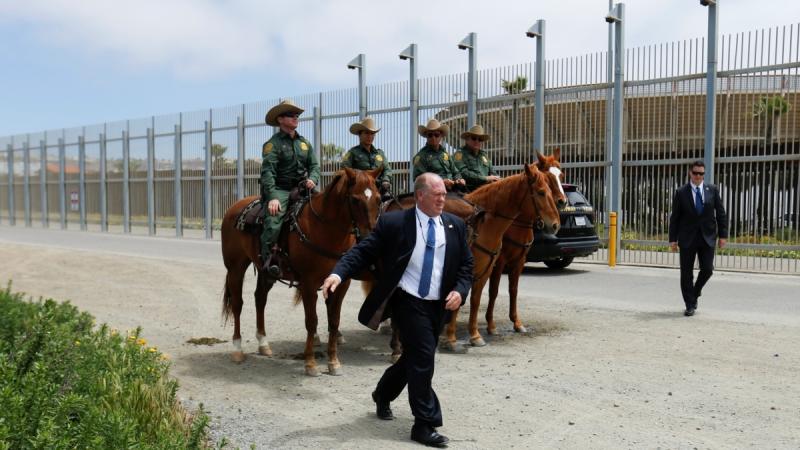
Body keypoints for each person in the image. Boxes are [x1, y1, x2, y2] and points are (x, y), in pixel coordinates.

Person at [321, 173, 473, 448]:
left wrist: (460, 291)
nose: (443, 199)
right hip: (408, 301)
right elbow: (363, 251)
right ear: (420, 196)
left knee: (414, 357)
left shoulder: (455, 226)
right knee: (424, 356)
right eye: (437, 194)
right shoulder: (395, 223)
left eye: (444, 194)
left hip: (439, 304)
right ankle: (425, 424)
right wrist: (338, 274)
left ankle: (382, 393)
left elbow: (466, 266)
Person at [260, 99, 320, 278]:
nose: (295, 118)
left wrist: (313, 179)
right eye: (291, 115)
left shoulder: (304, 143)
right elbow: (268, 172)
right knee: (274, 220)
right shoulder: (273, 144)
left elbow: (315, 166)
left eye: (297, 115)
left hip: (302, 188)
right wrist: (273, 197)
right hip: (280, 189)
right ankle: (267, 261)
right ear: (280, 119)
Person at [668, 160, 728, 316]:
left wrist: (723, 235)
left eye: (701, 173)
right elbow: (675, 218)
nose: (698, 176)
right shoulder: (681, 192)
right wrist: (672, 239)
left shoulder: (712, 190)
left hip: (707, 237)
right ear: (690, 173)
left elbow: (720, 213)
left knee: (707, 269)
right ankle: (689, 304)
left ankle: (695, 292)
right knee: (686, 273)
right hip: (687, 237)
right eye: (695, 173)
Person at [342, 117, 393, 200]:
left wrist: (386, 180)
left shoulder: (380, 153)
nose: (370, 136)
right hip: (360, 192)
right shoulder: (352, 153)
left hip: (379, 190)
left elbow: (387, 169)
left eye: (372, 134)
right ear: (359, 134)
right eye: (366, 133)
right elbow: (344, 169)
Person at [412, 119, 465, 191]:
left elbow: (455, 172)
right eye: (430, 135)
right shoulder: (421, 156)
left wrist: (459, 179)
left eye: (436, 135)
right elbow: (418, 179)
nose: (433, 138)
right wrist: (441, 182)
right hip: (434, 193)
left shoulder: (445, 154)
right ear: (426, 137)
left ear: (441, 136)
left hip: (453, 191)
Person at [452, 124, 501, 192]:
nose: (477, 141)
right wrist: (485, 179)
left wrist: (497, 178)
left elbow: (492, 172)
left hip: (486, 190)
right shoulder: (460, 154)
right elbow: (463, 173)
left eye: (480, 139)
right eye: (474, 138)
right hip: (469, 192)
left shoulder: (484, 155)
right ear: (467, 140)